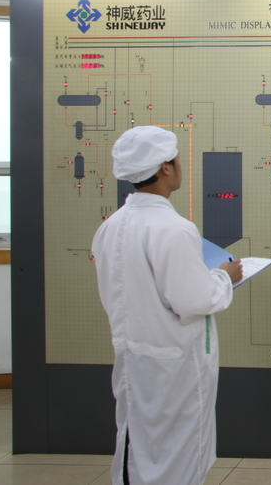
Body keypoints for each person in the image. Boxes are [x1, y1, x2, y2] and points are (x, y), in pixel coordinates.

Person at [92, 126, 243, 485]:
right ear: (165, 167)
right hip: (175, 369)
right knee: (176, 458)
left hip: (134, 359)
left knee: (137, 448)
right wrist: (225, 276)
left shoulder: (111, 227)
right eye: (176, 160)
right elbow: (194, 299)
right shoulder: (173, 228)